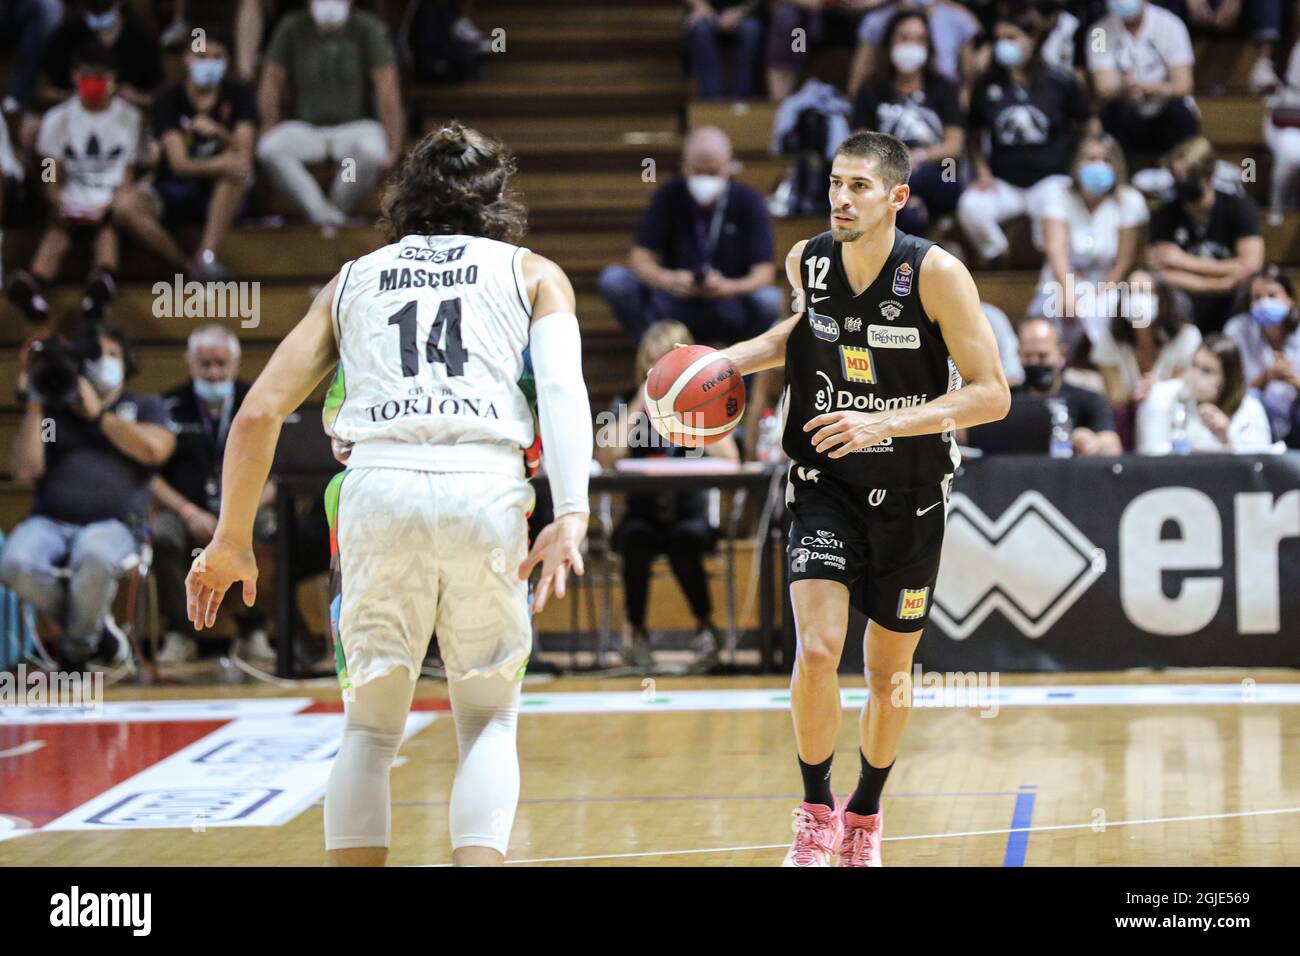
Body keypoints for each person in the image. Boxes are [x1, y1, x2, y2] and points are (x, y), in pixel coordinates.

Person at [184, 123, 594, 867]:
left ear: (404, 198)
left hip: (378, 488)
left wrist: (231, 540)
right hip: (485, 486)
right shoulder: (533, 272)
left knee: (370, 732)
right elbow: (564, 390)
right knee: (489, 722)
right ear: (496, 201)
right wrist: (572, 511)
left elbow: (256, 414)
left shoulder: (353, 279)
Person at [718, 130, 1011, 866]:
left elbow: (993, 395)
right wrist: (725, 361)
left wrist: (884, 420)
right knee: (817, 651)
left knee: (887, 674)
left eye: (859, 187)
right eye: (835, 184)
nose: (841, 199)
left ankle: (865, 817)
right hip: (824, 483)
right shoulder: (808, 260)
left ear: (897, 198)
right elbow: (809, 331)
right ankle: (815, 809)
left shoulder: (937, 275)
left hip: (911, 494)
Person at [0, 323, 175, 668]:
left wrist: (99, 416)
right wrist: (36, 404)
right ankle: (98, 634)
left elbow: (155, 450)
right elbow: (24, 470)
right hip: (49, 523)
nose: (104, 363)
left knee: (92, 554)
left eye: (112, 354)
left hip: (119, 526)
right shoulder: (55, 417)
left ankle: (76, 651)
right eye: (95, 356)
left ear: (127, 361)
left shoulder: (144, 406)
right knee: (16, 562)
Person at [594, 320, 738, 671]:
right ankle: (637, 634)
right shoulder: (627, 401)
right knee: (633, 540)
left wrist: (696, 403)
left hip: (689, 514)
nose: (655, 371)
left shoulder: (703, 402)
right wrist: (639, 403)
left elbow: (731, 459)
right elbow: (606, 457)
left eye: (663, 364)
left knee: (685, 540)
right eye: (649, 364)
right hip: (640, 515)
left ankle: (706, 627)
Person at [152, 324, 275, 664]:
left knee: (271, 531)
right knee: (162, 535)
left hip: (248, 509)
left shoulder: (258, 404)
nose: (214, 372)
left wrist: (236, 514)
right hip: (187, 511)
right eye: (205, 364)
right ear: (190, 364)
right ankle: (180, 631)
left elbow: (279, 475)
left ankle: (253, 629)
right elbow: (150, 478)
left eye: (221, 363)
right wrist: (187, 511)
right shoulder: (168, 406)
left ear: (235, 364)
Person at [597, 126, 781, 346]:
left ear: (730, 166)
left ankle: (746, 367)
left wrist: (727, 286)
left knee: (770, 300)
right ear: (685, 166)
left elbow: (764, 273)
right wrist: (668, 279)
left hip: (728, 302)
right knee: (615, 280)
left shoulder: (748, 200)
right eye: (697, 172)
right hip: (674, 299)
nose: (704, 180)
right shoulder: (669, 193)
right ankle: (653, 354)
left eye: (712, 173)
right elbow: (639, 258)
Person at [6, 44, 149, 324]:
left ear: (113, 79)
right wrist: (54, 196)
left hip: (110, 196)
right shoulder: (57, 119)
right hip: (72, 198)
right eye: (87, 75)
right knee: (57, 228)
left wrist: (111, 202)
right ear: (74, 77)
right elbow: (50, 168)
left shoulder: (131, 119)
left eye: (100, 75)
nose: (93, 82)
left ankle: (101, 282)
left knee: (108, 227)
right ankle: (36, 283)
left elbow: (130, 170)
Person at [957, 10, 1092, 263]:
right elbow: (973, 135)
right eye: (999, 39)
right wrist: (982, 171)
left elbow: (1087, 126)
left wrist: (1078, 166)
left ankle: (1049, 262)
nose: (1003, 45)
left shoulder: (1060, 81)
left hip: (1051, 179)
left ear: (1032, 40)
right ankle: (998, 256)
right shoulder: (986, 84)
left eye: (1011, 37)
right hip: (1004, 182)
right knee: (970, 205)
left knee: (1057, 204)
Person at [255, 0, 404, 227]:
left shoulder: (368, 28)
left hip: (353, 131)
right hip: (307, 129)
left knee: (372, 151)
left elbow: (387, 87)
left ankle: (333, 208)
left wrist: (393, 144)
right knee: (269, 148)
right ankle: (324, 214)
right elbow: (271, 81)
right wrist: (268, 125)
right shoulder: (291, 27)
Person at [147, 26, 258, 280]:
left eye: (217, 57)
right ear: (187, 59)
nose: (209, 64)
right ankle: (185, 265)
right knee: (126, 205)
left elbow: (244, 154)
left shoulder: (240, 95)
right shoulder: (169, 99)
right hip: (173, 190)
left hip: (221, 195)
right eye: (202, 56)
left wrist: (220, 134)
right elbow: (179, 164)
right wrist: (220, 163)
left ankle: (206, 256)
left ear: (227, 62)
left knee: (238, 171)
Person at [1028, 133, 1148, 350]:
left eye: (1106, 160)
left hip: (1107, 283)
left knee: (1112, 311)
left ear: (1117, 166)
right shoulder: (1057, 194)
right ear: (1077, 164)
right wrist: (1069, 290)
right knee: (1054, 310)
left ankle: (1107, 368)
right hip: (1063, 279)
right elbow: (1055, 250)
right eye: (1090, 159)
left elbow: (1124, 262)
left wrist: (1094, 296)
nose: (1098, 165)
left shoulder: (1129, 200)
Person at [850, 9, 965, 235]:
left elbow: (954, 145)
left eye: (919, 39)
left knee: (914, 179)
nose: (911, 45)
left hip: (937, 174)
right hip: (885, 173)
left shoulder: (943, 88)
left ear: (928, 46)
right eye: (903, 38)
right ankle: (914, 208)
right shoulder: (872, 89)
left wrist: (917, 157)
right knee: (911, 217)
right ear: (889, 42)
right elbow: (860, 143)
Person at [1145, 136, 1265, 334]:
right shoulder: (1164, 214)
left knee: (1249, 291)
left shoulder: (1239, 208)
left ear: (1209, 177)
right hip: (1188, 297)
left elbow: (1251, 265)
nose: (1182, 185)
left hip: (1231, 296)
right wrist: (1218, 283)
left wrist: (1184, 261)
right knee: (1164, 294)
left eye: (1189, 180)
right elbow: (1161, 272)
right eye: (1177, 178)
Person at [1091, 267, 1201, 442]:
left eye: (1144, 292)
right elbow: (1116, 398)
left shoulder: (1187, 337)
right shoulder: (1109, 338)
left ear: (1162, 299)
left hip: (1174, 424)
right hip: (1127, 426)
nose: (1136, 300)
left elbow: (1184, 389)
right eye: (1131, 293)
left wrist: (1158, 390)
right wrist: (1143, 392)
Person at [1086, 0, 1200, 155]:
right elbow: (1103, 86)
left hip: (1165, 105)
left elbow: (1184, 84)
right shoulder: (1098, 32)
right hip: (1124, 106)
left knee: (1180, 115)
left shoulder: (1171, 25)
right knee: (1108, 116)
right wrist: (1124, 87)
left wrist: (1154, 89)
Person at [1136, 335, 1275, 453]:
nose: (1195, 375)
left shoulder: (1250, 410)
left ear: (1228, 380)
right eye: (1194, 365)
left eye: (1207, 371)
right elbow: (1151, 455)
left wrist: (1227, 441)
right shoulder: (1162, 395)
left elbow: (1258, 468)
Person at [1008, 317, 1123, 455]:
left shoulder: (1089, 400)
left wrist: (1093, 442)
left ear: (1061, 354)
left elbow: (1112, 444)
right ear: (1018, 354)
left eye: (1042, 356)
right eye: (1028, 356)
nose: (1034, 362)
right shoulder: (1007, 402)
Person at [1222, 264, 1300, 442]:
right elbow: (1231, 393)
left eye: (1272, 295)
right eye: (1257, 297)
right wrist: (1266, 377)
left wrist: (1294, 380)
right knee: (1251, 402)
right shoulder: (1237, 330)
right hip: (1257, 415)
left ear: (1290, 300)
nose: (1264, 302)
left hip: (1295, 420)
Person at [39, 0, 163, 109]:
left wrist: (139, 98)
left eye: (105, 5)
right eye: (93, 6)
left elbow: (160, 93)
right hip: (74, 115)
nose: (99, 12)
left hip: (127, 114)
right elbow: (42, 89)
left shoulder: (141, 39)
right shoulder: (65, 36)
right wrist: (74, 96)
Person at [846, 0, 982, 97]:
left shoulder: (959, 18)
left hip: (941, 106)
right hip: (886, 100)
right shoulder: (876, 22)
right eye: (903, 38)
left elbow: (968, 81)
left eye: (920, 39)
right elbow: (856, 83)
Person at [685, 0, 766, 99]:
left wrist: (742, 11)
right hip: (705, 12)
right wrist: (704, 8)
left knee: (752, 30)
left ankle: (742, 98)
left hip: (744, 12)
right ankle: (712, 99)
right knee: (700, 29)